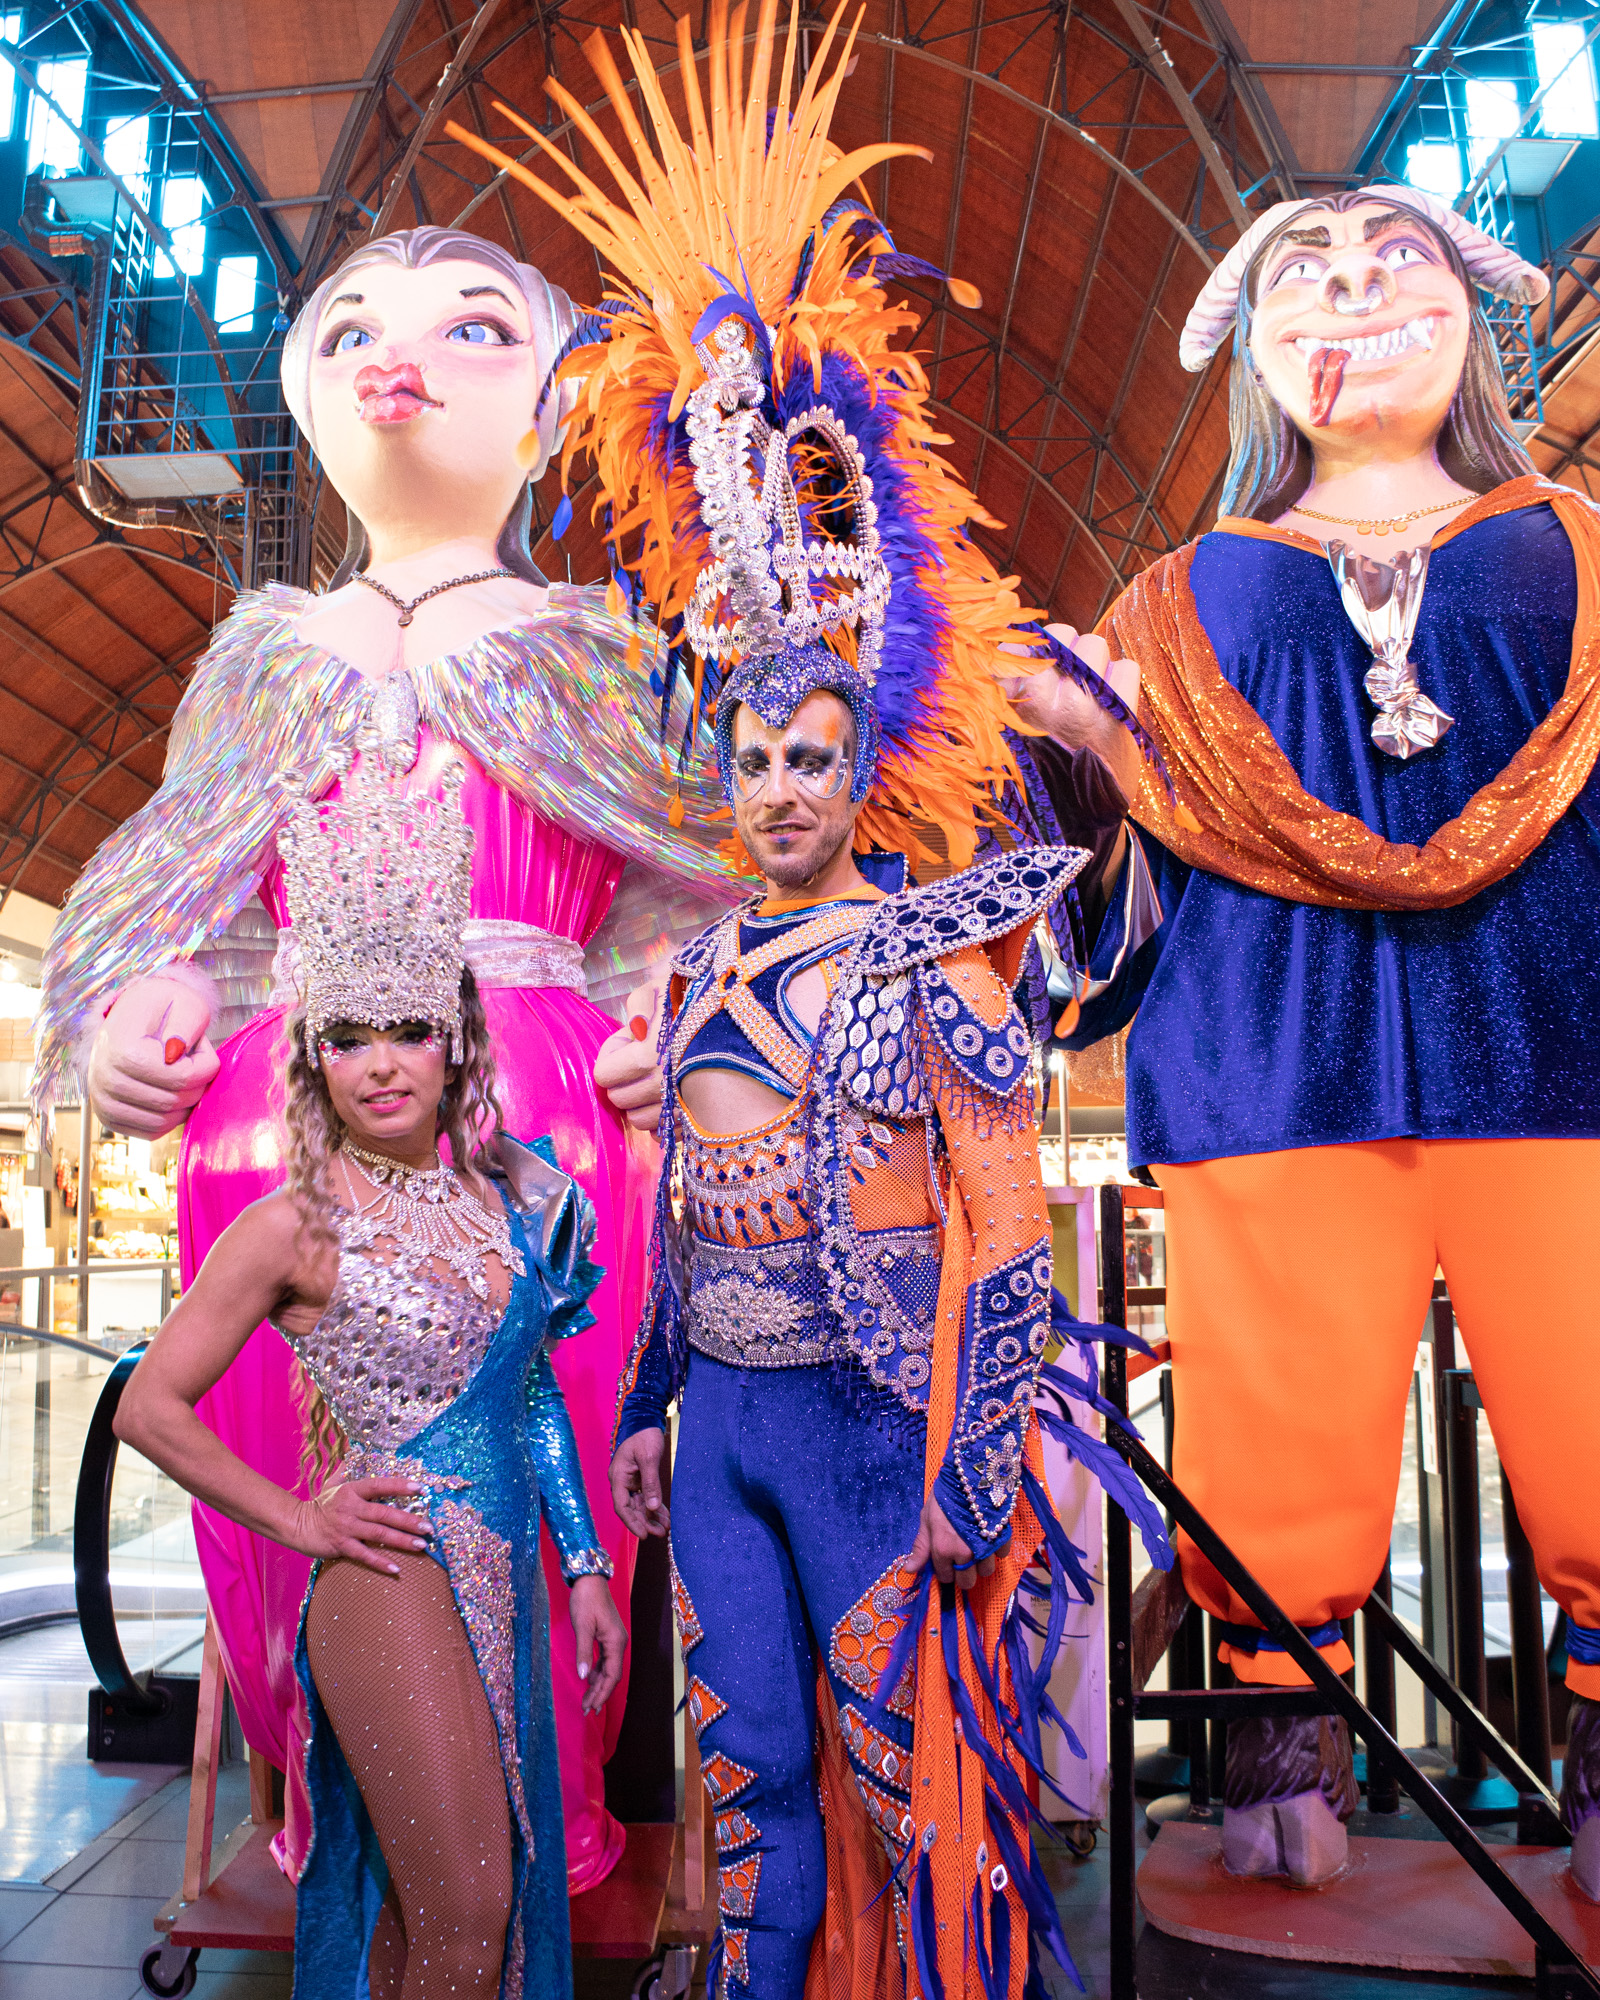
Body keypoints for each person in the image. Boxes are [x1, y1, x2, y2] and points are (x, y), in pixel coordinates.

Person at [453, 11, 1174, 1991]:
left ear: (856, 768)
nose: (774, 781)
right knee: (753, 1768)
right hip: (736, 1419)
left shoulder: (934, 944)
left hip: (870, 1417)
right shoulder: (683, 962)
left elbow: (1000, 1216)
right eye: (751, 756)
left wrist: (969, 1443)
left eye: (807, 756)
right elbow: (673, 1221)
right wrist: (655, 1413)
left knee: (905, 1768)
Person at [33, 225, 734, 1886]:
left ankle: (529, 1790)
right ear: (308, 391)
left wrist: (669, 1023)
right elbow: (178, 894)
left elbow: (692, 894)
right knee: (295, 1446)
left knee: (524, 1442)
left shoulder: (594, 652)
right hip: (276, 1118)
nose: (398, 359)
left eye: (471, 325)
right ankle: (321, 1771)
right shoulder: (268, 660)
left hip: (544, 1103)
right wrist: (145, 1007)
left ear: (559, 397)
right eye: (350, 328)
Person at [1007, 184, 1600, 1889]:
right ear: (1253, 354)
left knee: (1592, 1416)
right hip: (1273, 1046)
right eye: (1306, 281)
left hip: (1554, 1032)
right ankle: (1280, 1764)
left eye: (1389, 261)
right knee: (1276, 1434)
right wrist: (1042, 732)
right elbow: (1057, 841)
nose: (1349, 293)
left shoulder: (1573, 546)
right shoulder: (1180, 596)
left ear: (1472, 310)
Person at [114, 750, 626, 1999]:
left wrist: (588, 1560)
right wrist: (299, 1517)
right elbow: (146, 1403)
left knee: (434, 1922)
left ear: (456, 1041)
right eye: (350, 1035)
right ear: (316, 1057)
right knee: (469, 1909)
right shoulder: (292, 1226)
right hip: (387, 1579)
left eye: (409, 1027)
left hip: (507, 1580)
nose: (383, 1060)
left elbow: (534, 1390)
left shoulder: (515, 1190)